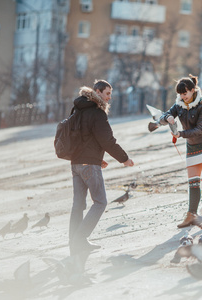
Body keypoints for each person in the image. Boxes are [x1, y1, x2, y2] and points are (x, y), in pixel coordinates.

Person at [69, 79, 134, 255]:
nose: (109, 98)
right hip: (88, 164)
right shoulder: (97, 112)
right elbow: (107, 141)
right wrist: (124, 159)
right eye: (107, 94)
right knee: (100, 202)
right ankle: (80, 239)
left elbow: (82, 137)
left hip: (76, 163)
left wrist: (97, 158)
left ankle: (73, 243)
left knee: (78, 204)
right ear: (97, 92)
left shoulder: (78, 109)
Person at [160, 74, 202, 228]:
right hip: (192, 146)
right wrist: (168, 117)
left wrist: (180, 134)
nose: (182, 96)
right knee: (193, 182)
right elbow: (164, 115)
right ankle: (191, 215)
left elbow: (200, 129)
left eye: (185, 93)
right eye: (180, 94)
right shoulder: (179, 104)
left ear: (193, 90)